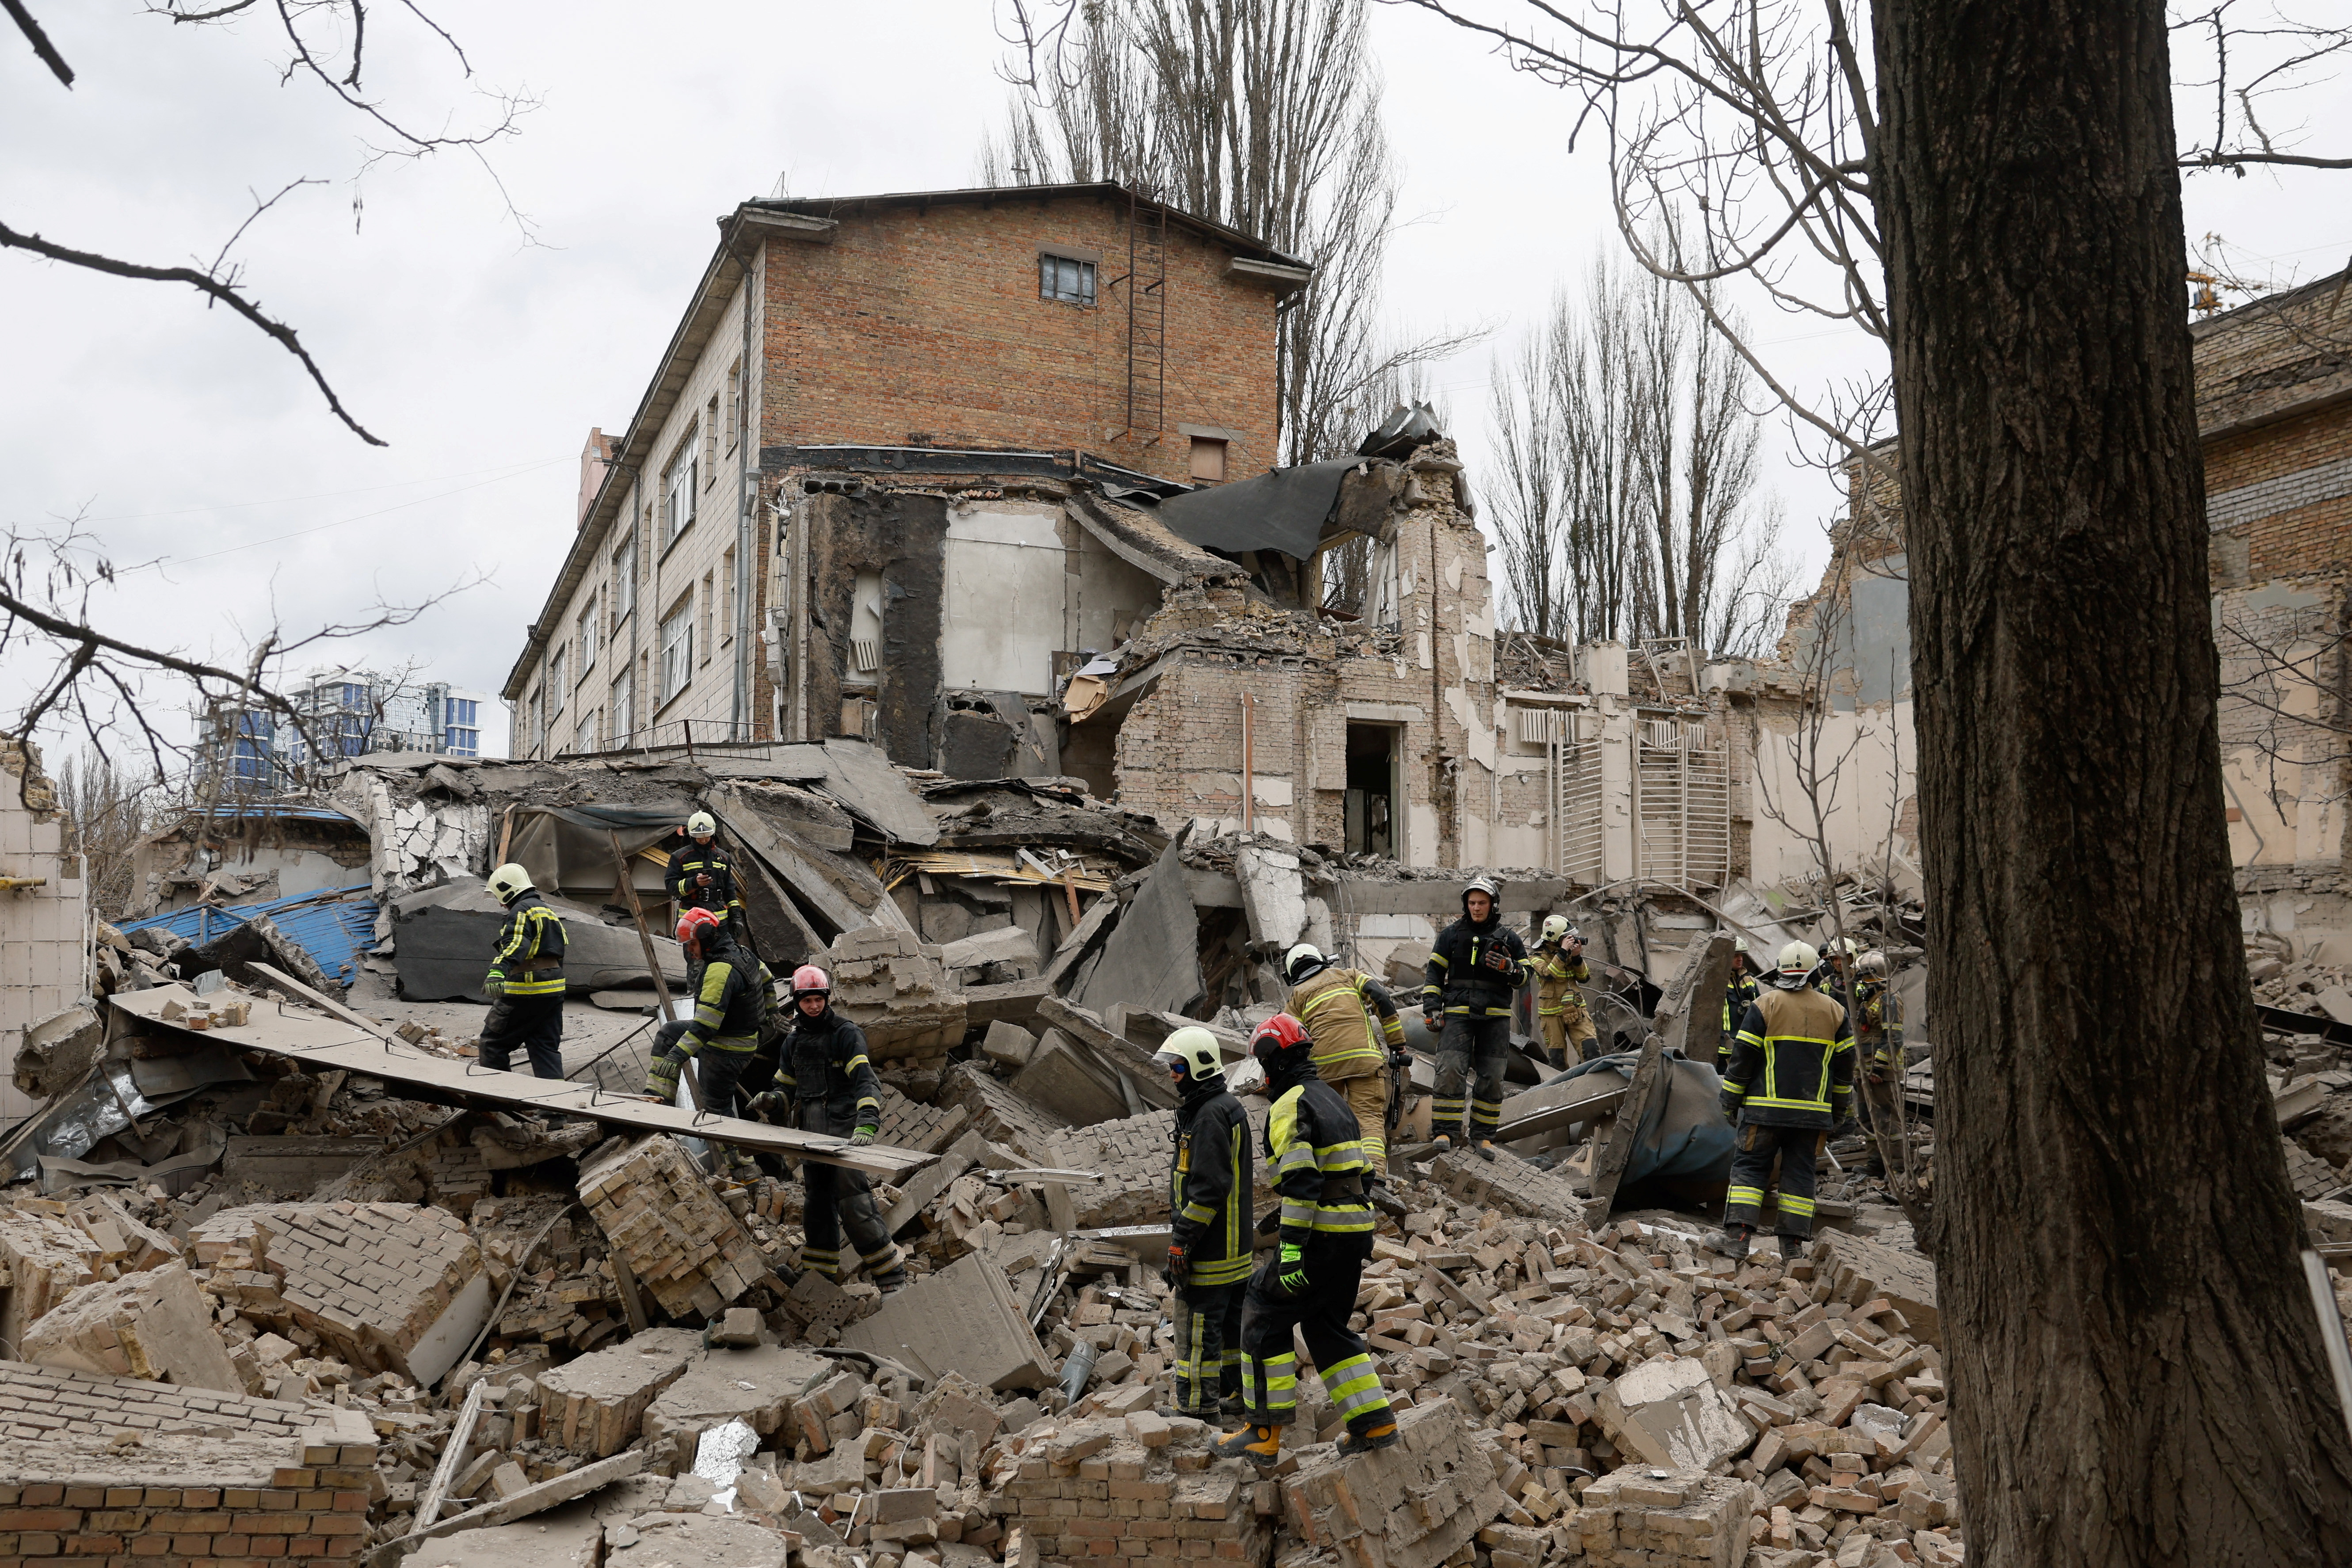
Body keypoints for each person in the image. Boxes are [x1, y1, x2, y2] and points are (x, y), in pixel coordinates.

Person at [1216, 1014, 1398, 1468]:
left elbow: (1301, 1182)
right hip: (1354, 1232)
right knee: (1324, 1326)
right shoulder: (1334, 1101)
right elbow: (1362, 1174)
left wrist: (1292, 1248)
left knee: (1260, 1308)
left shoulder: (1288, 1105)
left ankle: (1261, 1433)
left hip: (1321, 1237)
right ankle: (1373, 1422)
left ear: (1271, 1061)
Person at [743, 965, 908, 1292]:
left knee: (854, 1203)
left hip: (844, 1131)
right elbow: (786, 1089)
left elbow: (866, 1083)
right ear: (798, 1001)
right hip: (811, 1135)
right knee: (816, 1206)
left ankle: (891, 1277)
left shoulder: (845, 1034)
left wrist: (867, 1123)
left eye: (819, 999)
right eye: (808, 1001)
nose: (814, 1006)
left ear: (826, 998)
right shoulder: (793, 1042)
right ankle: (819, 1277)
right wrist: (771, 1100)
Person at [1716, 940, 1855, 1261]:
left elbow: (1742, 1061)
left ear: (1780, 970)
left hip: (1764, 1111)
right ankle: (1792, 1249)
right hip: (1812, 1116)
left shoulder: (1764, 1005)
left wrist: (1729, 1101)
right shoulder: (1836, 1012)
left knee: (1750, 1170)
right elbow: (1845, 1070)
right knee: (1800, 1174)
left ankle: (1737, 1239)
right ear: (1812, 972)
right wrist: (1837, 1112)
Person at [1156, 1026, 1253, 1421]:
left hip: (1211, 1253)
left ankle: (1196, 1408)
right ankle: (1237, 1395)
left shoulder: (1211, 1116)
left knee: (1195, 1332)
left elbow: (1208, 1190)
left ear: (1198, 1066)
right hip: (1234, 1252)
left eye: (1178, 1066)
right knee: (1231, 1332)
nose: (1172, 1074)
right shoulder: (1223, 1106)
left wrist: (1181, 1242)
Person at [1281, 942, 1410, 1212]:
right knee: (1368, 1118)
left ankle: (1341, 1182)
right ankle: (1374, 1182)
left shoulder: (1297, 996)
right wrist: (1396, 1043)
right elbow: (1381, 997)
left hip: (1324, 1068)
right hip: (1363, 1058)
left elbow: (1285, 1033)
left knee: (1331, 1123)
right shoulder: (1349, 975)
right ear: (1321, 960)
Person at [645, 909, 766, 1174]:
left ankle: (743, 1168)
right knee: (669, 1033)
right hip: (736, 1038)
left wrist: (678, 1056)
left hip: (726, 1048)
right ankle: (655, 1104)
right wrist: (774, 1013)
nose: (690, 951)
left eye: (692, 944)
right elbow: (767, 980)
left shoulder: (719, 970)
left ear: (707, 938)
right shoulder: (744, 953)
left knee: (716, 1110)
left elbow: (705, 1025)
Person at [1422, 876, 1528, 1158]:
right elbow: (1434, 973)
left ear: (1493, 905)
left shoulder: (1510, 939)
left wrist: (1510, 968)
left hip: (1495, 1017)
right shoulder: (1451, 935)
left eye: (1482, 903)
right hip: (1457, 1014)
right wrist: (1432, 1007)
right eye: (1472, 903)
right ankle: (1445, 1131)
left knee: (1493, 1077)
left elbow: (1526, 977)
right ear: (1465, 904)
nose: (1476, 908)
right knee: (1450, 1070)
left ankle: (1483, 1137)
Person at [479, 862, 567, 1080]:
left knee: (493, 1045)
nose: (501, 905)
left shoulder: (521, 910)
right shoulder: (547, 911)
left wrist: (498, 970)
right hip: (553, 991)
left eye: (500, 897)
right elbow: (560, 951)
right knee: (544, 1049)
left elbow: (517, 944)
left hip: (526, 989)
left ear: (508, 889)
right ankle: (554, 1112)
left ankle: (496, 1105)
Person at [1851, 950, 1903, 1175]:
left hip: (1881, 1071)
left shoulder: (1888, 999)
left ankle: (1898, 1166)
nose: (1862, 982)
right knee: (1868, 1117)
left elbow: (1894, 1037)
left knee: (1887, 1118)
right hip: (1866, 1069)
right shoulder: (1870, 999)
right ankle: (1876, 1164)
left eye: (1865, 977)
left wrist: (1879, 1068)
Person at [666, 811, 747, 943]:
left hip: (719, 920)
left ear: (713, 834)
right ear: (691, 835)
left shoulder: (723, 858)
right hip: (690, 918)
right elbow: (671, 887)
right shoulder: (680, 857)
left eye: (707, 836)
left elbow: (729, 890)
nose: (703, 840)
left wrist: (736, 917)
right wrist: (693, 883)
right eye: (699, 837)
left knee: (722, 957)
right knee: (694, 958)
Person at [1528, 916, 1596, 1069]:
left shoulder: (1570, 953)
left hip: (1576, 1008)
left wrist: (1577, 957)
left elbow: (1584, 978)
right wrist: (1563, 952)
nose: (1571, 939)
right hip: (1551, 1013)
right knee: (1557, 1059)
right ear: (1554, 938)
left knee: (1591, 1049)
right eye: (1566, 937)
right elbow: (1548, 975)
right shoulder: (1536, 956)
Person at [1719, 939, 1762, 1071]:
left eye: (1741, 956)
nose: (1740, 959)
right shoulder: (1717, 981)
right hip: (1722, 1047)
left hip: (1746, 1042)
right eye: (1736, 956)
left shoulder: (1749, 980)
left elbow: (1761, 1008)